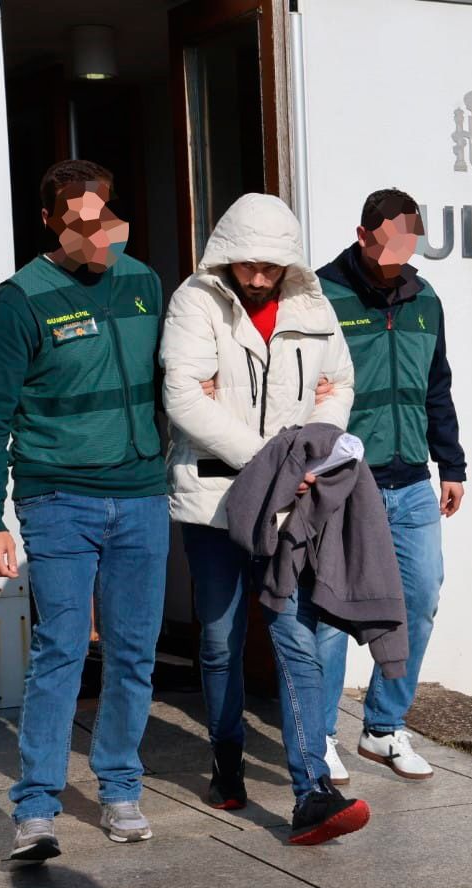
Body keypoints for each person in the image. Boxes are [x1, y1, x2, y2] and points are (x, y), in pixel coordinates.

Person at [0, 160, 168, 863]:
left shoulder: (144, 283)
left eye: (103, 219)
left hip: (142, 495)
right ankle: (37, 808)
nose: (95, 234)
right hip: (58, 498)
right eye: (79, 223)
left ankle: (119, 788)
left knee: (135, 654)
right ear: (51, 222)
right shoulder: (20, 301)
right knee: (60, 651)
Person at [162, 191, 371, 846]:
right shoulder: (194, 300)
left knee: (293, 632)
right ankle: (226, 755)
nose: (256, 278)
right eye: (246, 265)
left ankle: (312, 791)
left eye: (269, 267)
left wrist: (309, 452)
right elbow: (183, 398)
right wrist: (272, 461)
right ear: (226, 255)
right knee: (222, 637)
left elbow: (338, 383)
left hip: (291, 502)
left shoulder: (312, 303)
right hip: (216, 501)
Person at [316, 189, 467, 782]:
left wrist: (450, 464)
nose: (399, 258)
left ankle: (382, 727)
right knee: (328, 613)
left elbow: (438, 386)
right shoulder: (322, 297)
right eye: (388, 245)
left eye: (409, 245)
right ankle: (319, 736)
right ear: (362, 235)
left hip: (410, 483)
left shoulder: (425, 299)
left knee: (420, 599)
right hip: (344, 479)